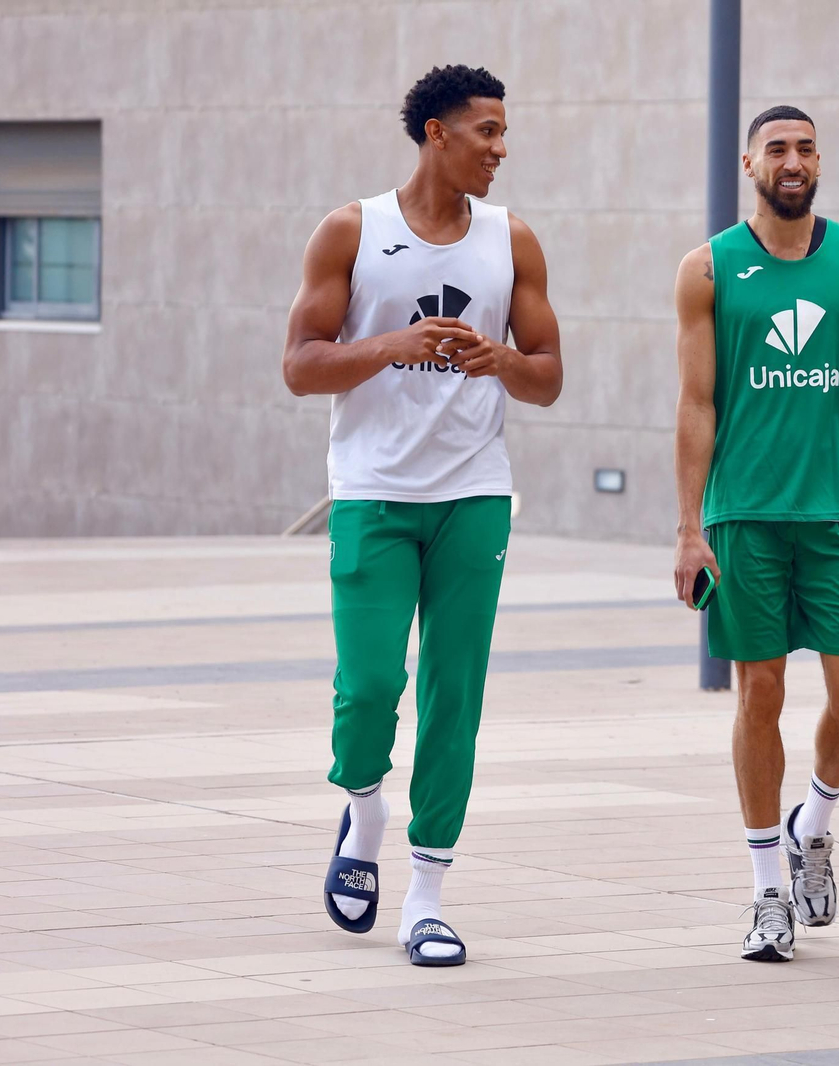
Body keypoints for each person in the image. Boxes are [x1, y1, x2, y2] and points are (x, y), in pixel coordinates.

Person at [281, 65, 561, 967]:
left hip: (474, 493)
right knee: (367, 693)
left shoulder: (510, 238)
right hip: (371, 490)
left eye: (504, 132)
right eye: (487, 132)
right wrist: (388, 347)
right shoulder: (352, 231)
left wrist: (500, 363)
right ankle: (363, 812)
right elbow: (299, 364)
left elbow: (549, 375)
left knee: (455, 701)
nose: (501, 149)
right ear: (436, 134)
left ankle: (428, 897)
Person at [672, 105, 839, 962]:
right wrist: (688, 528)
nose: (793, 160)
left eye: (806, 148)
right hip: (745, 517)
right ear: (750, 164)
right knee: (760, 697)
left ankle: (812, 821)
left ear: (820, 163)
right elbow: (696, 405)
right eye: (777, 148)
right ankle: (767, 893)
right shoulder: (709, 268)